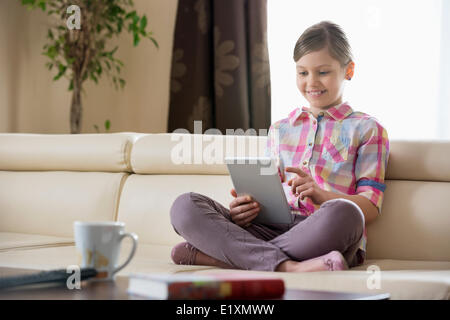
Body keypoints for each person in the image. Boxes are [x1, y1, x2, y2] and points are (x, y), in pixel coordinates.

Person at [169, 21, 389, 272]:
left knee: (346, 214)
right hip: (266, 227)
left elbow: (370, 209)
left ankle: (225, 256)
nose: (312, 82)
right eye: (303, 72)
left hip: (320, 230)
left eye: (323, 72)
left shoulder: (368, 129)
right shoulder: (280, 129)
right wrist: (246, 208)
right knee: (184, 206)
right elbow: (267, 191)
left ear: (348, 70)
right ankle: (290, 267)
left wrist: (322, 195)